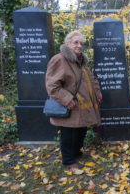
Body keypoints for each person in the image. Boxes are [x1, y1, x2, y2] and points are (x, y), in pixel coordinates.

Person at [45, 31, 102, 169]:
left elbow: (91, 79)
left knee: (81, 129)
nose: (79, 46)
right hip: (71, 105)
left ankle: (76, 152)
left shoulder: (81, 61)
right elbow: (52, 85)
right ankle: (68, 160)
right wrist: (67, 100)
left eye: (81, 43)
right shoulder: (59, 59)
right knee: (69, 133)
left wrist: (98, 93)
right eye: (75, 42)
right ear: (67, 43)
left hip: (84, 104)